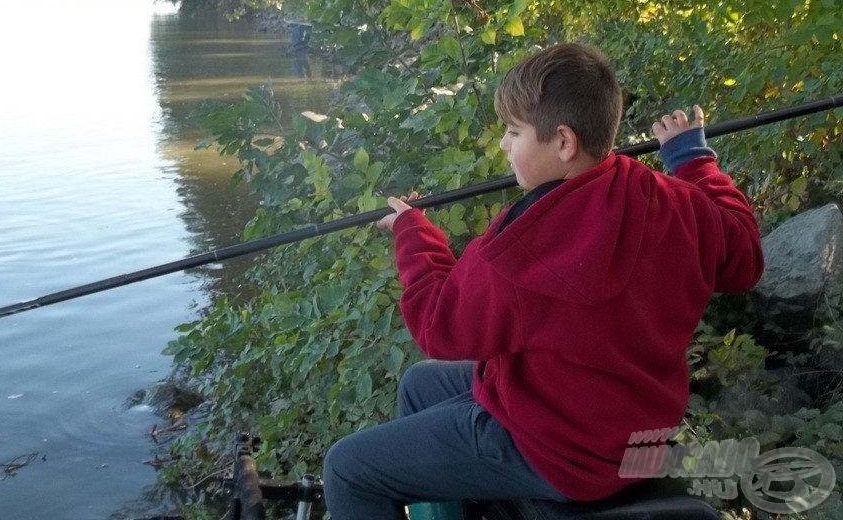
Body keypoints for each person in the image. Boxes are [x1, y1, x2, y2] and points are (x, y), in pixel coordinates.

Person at [321, 42, 765, 519]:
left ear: (563, 143)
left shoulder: (524, 243)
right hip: (631, 426)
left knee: (346, 470)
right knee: (419, 384)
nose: (504, 145)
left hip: (561, 452)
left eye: (513, 132)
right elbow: (744, 258)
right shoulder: (679, 203)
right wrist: (692, 158)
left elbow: (439, 326)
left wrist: (414, 234)